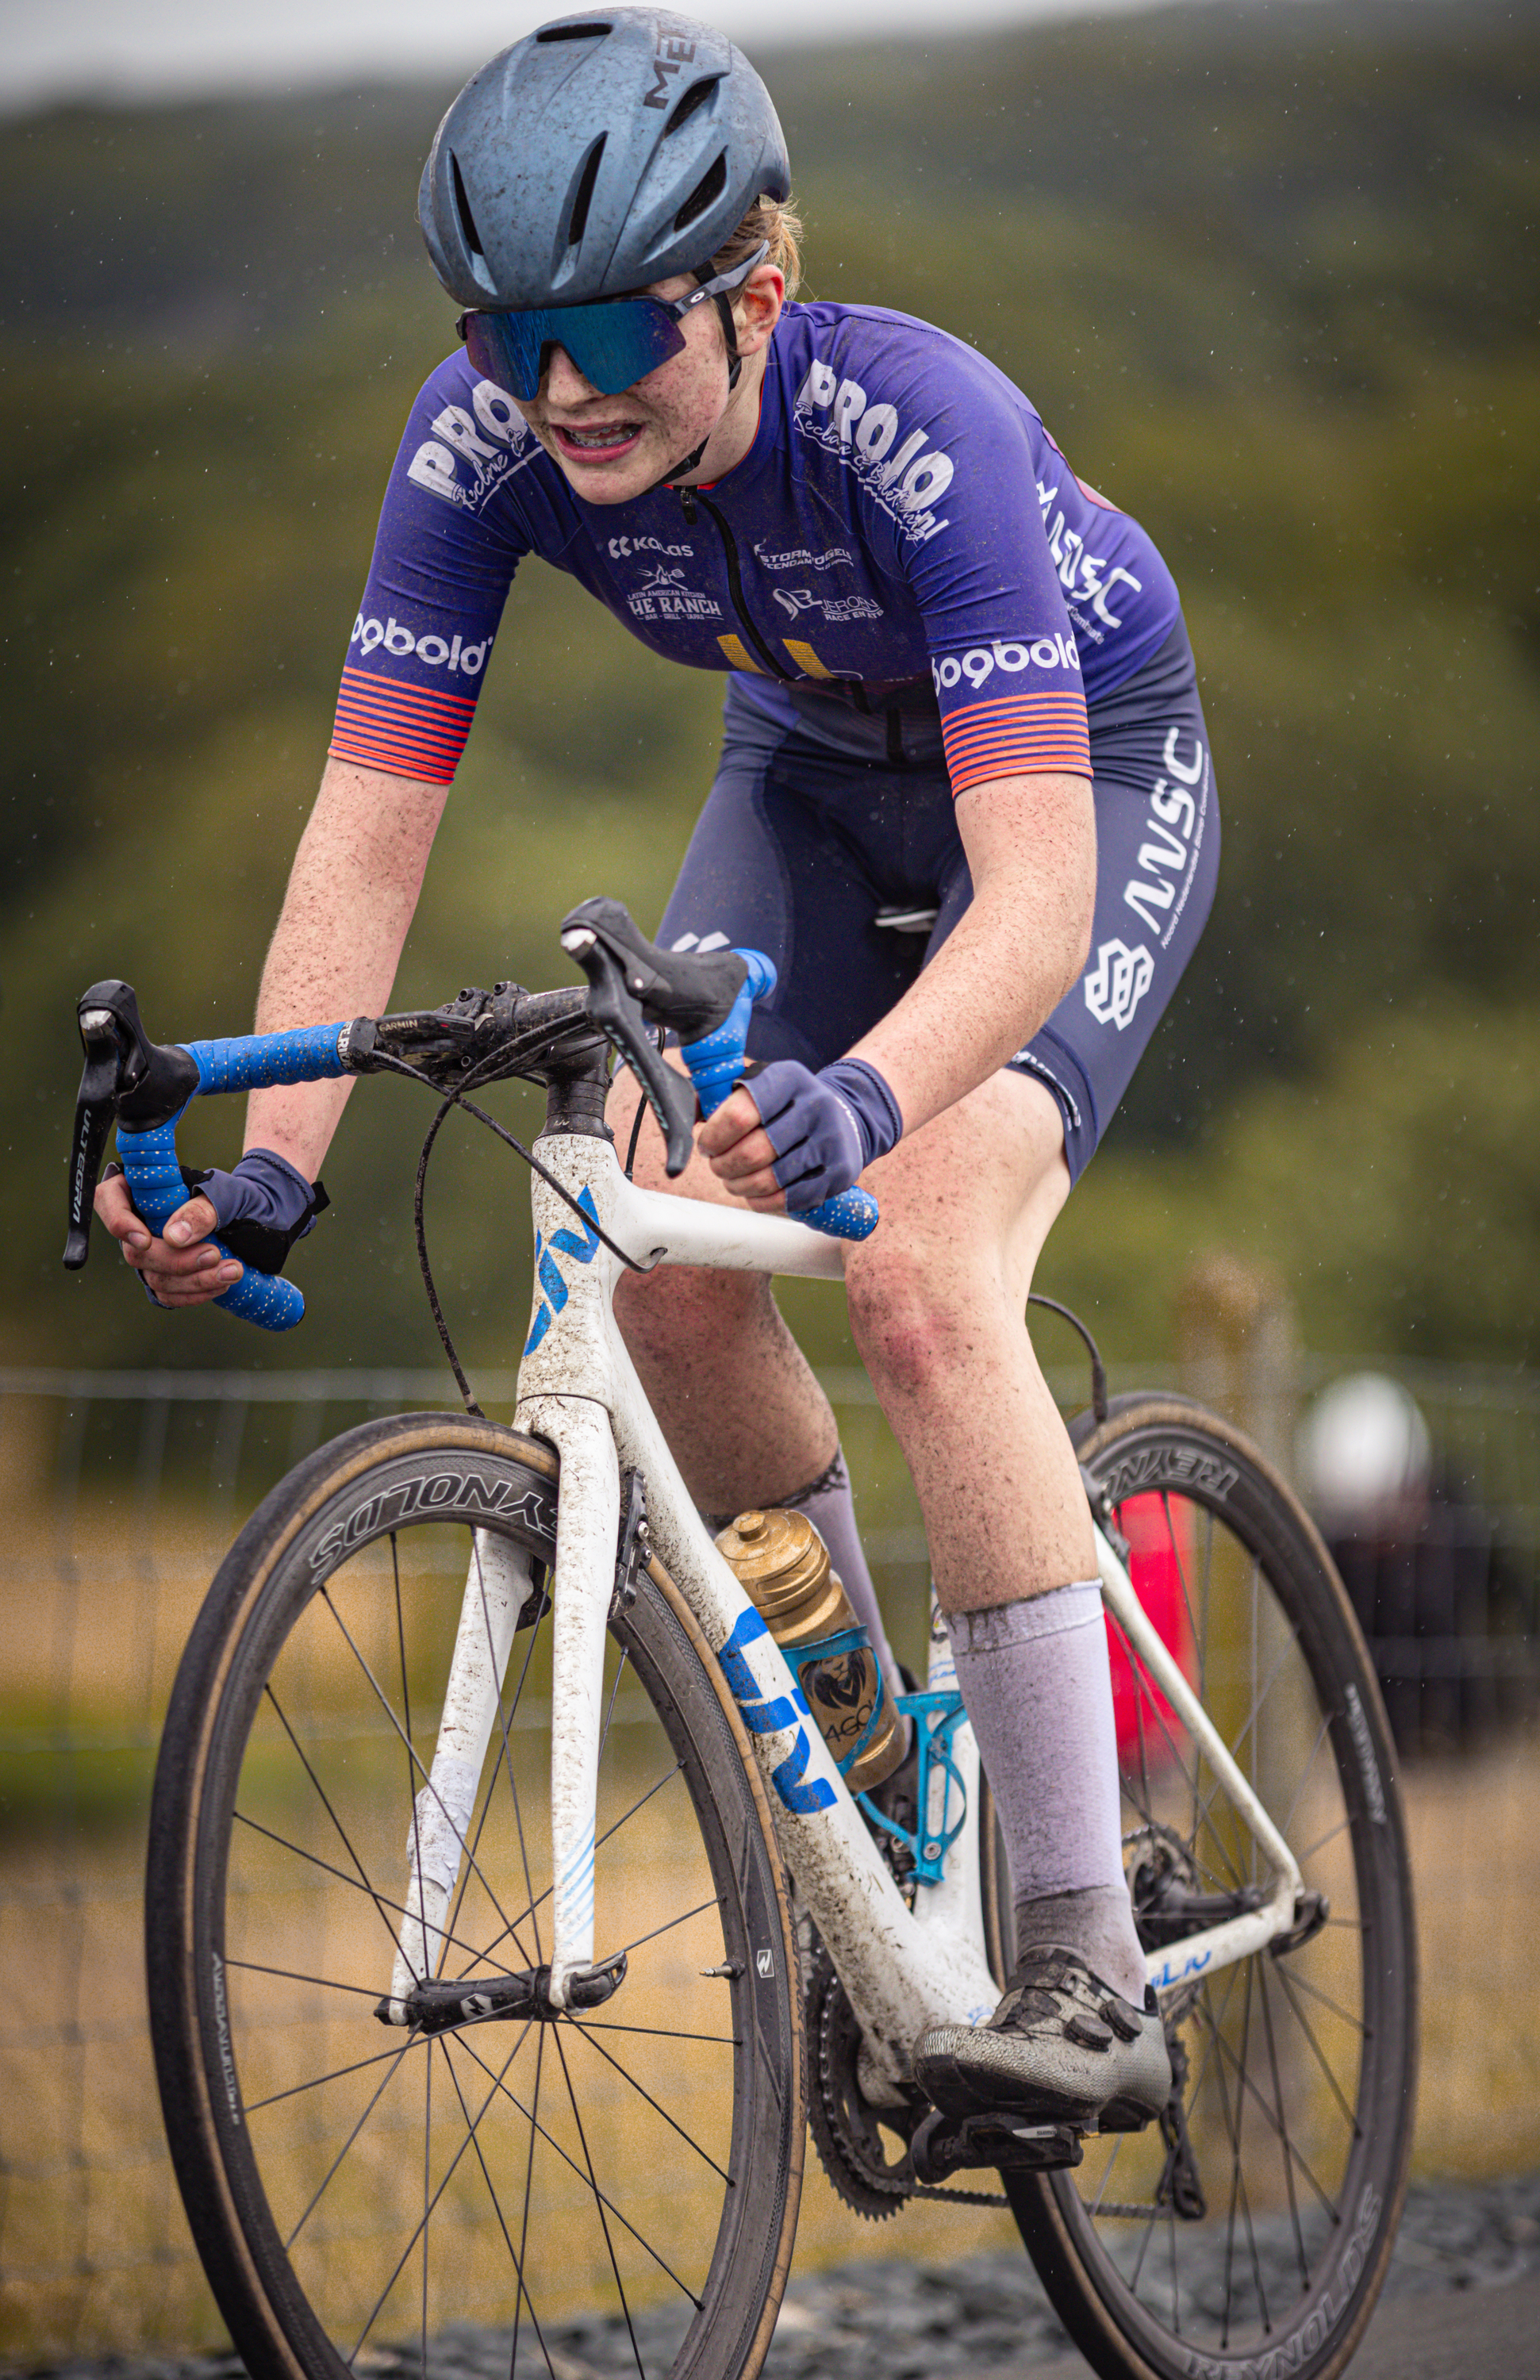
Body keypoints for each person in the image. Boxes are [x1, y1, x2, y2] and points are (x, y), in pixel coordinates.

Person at [95, 9, 1220, 2135]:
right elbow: (364, 830)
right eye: (505, 334)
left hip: (1073, 792)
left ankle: (1083, 1956)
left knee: (914, 1268)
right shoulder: (486, 437)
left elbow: (1035, 900)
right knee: (651, 1245)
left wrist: (874, 1104)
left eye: (613, 325)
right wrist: (275, 1168)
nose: (559, 390)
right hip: (803, 773)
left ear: (755, 291)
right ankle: (884, 1782)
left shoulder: (924, 429)